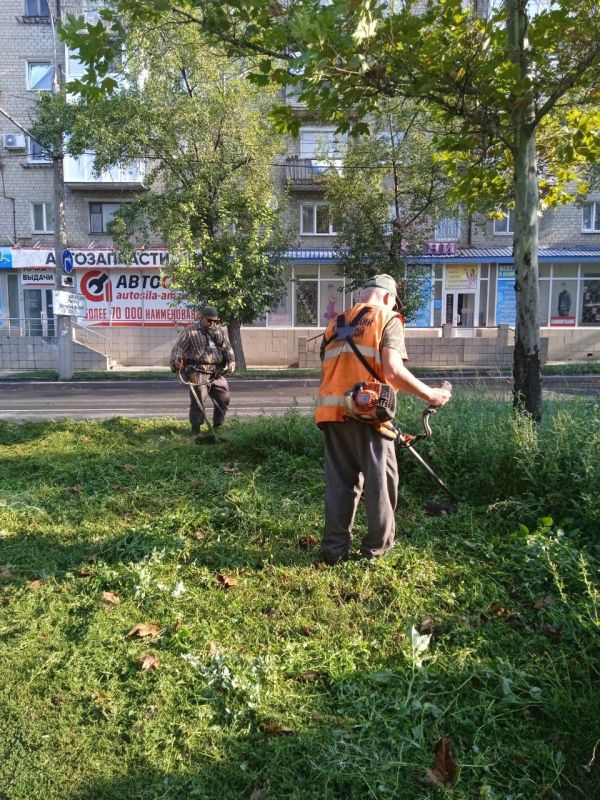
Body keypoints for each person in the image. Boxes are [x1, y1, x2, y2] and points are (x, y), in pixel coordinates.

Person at [315, 274, 451, 565]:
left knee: (340, 486)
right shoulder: (388, 319)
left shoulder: (335, 325)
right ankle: (374, 552)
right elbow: (391, 371)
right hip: (367, 416)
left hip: (331, 414)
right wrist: (431, 395)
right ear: (389, 298)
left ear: (365, 294)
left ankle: (333, 551)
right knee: (381, 486)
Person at [170, 306, 235, 435]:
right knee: (198, 400)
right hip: (197, 371)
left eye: (215, 321)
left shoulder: (219, 332)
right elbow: (177, 349)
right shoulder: (190, 331)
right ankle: (196, 431)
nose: (213, 323)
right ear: (202, 318)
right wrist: (176, 361)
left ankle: (218, 426)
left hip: (216, 372)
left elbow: (227, 348)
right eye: (209, 320)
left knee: (224, 397)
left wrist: (231, 361)